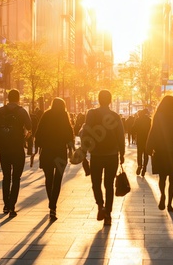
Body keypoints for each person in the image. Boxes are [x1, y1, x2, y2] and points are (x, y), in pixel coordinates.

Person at [81, 90, 125, 226]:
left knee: (96, 183)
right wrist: (122, 153)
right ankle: (108, 214)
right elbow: (120, 135)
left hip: (96, 155)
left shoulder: (91, 114)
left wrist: (84, 152)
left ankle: (100, 206)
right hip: (112, 155)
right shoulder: (115, 116)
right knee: (109, 185)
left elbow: (86, 132)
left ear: (98, 100)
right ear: (110, 100)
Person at [0, 89, 32, 217]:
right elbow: (30, 126)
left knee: (6, 177)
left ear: (8, 98)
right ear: (18, 98)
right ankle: (12, 205)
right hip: (17, 148)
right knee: (16, 178)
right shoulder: (21, 112)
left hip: (4, 149)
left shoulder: (0, 111)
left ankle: (5, 204)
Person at [34, 98, 74, 221]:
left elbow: (38, 133)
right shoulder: (64, 115)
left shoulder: (46, 115)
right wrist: (71, 149)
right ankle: (53, 206)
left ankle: (51, 203)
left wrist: (36, 149)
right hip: (60, 152)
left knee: (49, 178)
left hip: (47, 152)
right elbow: (69, 133)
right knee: (57, 181)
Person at [146, 95, 173, 212]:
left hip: (160, 150)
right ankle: (170, 203)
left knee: (162, 177)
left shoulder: (158, 116)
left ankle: (162, 195)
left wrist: (149, 147)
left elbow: (153, 132)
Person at [131, 109, 151, 176]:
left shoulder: (138, 120)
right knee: (146, 154)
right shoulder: (149, 120)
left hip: (140, 139)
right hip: (147, 139)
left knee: (139, 153)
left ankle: (139, 165)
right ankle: (144, 167)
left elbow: (133, 128)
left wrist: (134, 133)